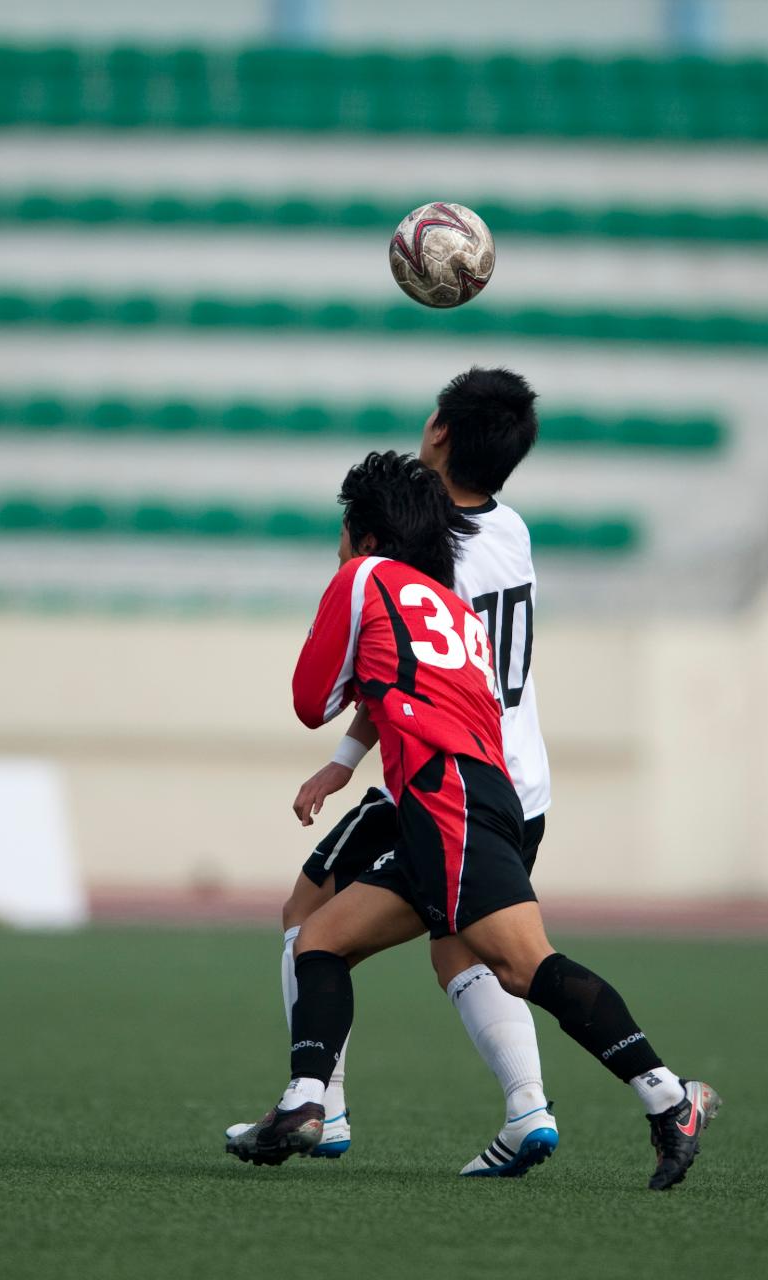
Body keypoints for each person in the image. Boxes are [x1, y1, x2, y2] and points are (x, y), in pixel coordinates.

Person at [227, 449, 721, 1191]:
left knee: (522, 963)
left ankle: (667, 1095)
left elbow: (309, 702)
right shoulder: (453, 610)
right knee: (321, 937)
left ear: (362, 534)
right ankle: (304, 1102)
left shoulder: (361, 578)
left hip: (443, 797)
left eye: (342, 529)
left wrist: (347, 662)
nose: (337, 544)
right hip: (481, 793)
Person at [232, 367, 558, 1178]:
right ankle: (527, 1112)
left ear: (439, 430)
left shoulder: (423, 548)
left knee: (310, 916)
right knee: (461, 951)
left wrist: (343, 756)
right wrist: (345, 762)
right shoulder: (509, 529)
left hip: (448, 775)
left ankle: (318, 1102)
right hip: (521, 776)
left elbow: (408, 663)